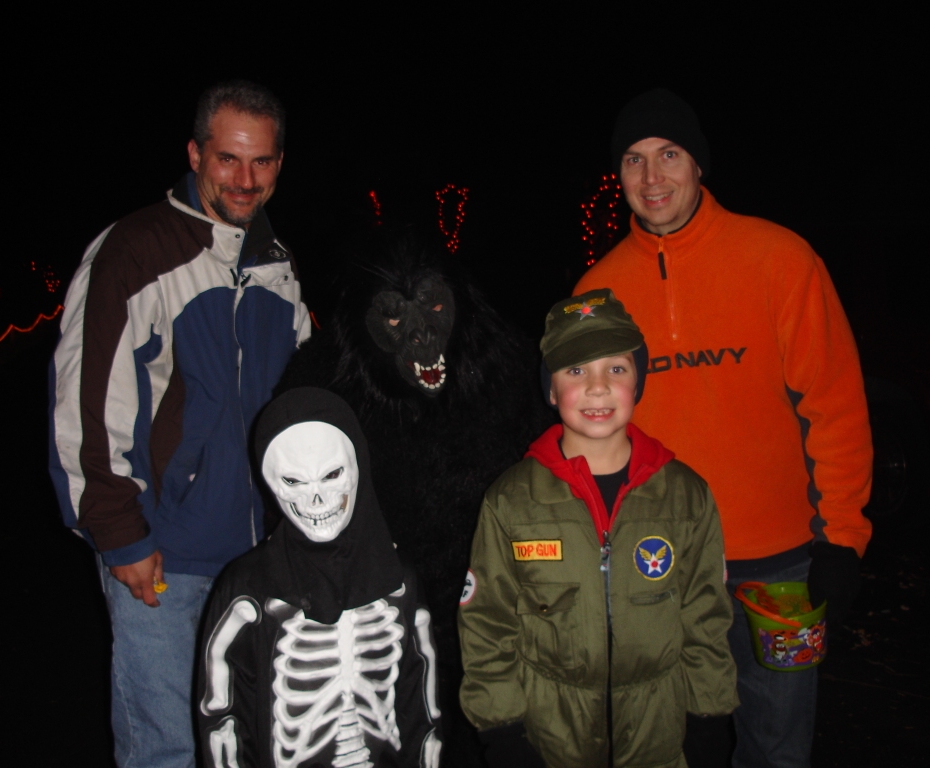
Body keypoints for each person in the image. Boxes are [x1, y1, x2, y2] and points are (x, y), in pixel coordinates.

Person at [574, 89, 873, 767]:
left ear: (698, 164)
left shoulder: (779, 259)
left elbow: (835, 405)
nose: (652, 177)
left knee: (778, 748)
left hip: (782, 567)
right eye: (634, 160)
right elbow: (588, 433)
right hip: (661, 569)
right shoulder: (597, 294)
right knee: (668, 747)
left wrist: (842, 538)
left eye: (669, 155)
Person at [49, 80, 310, 768]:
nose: (244, 180)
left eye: (260, 161)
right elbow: (86, 403)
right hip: (165, 555)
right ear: (195, 154)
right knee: (165, 748)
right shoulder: (136, 251)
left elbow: (304, 400)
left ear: (279, 163)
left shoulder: (277, 265)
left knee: (251, 742)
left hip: (261, 558)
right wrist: (120, 534)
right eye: (227, 159)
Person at [458, 289, 738, 767]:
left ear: (638, 382)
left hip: (658, 738)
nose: (597, 387)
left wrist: (710, 717)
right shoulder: (511, 501)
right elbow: (487, 624)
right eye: (575, 370)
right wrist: (501, 731)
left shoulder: (686, 496)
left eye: (617, 369)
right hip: (551, 742)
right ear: (550, 390)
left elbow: (706, 617)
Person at [197, 387, 442, 767]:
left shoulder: (399, 580)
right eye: (294, 482)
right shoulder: (247, 590)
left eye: (331, 475)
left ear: (359, 466)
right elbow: (222, 716)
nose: (316, 500)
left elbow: (423, 711)